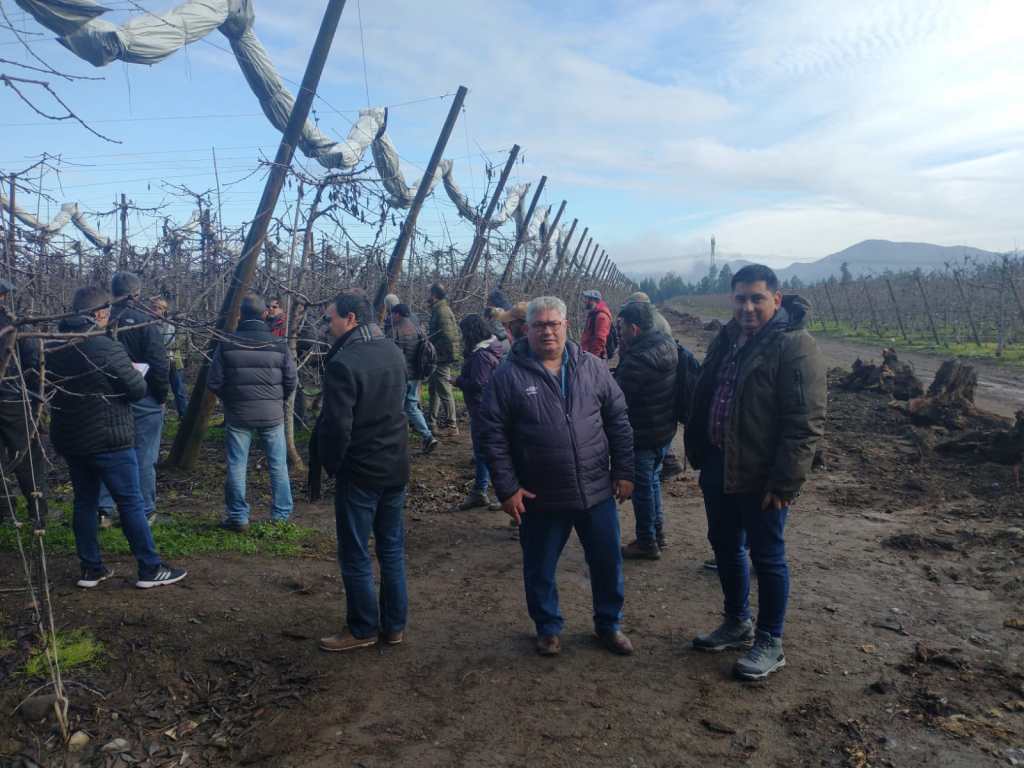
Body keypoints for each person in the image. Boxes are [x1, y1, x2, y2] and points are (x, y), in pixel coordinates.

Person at [686, 264, 826, 681]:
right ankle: (736, 622)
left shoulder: (795, 346)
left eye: (757, 299)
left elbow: (805, 422)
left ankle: (770, 640)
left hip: (762, 474)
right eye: (741, 298)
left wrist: (785, 481)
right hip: (719, 463)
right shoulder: (728, 338)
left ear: (776, 300)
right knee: (725, 546)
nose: (747, 307)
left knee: (767, 556)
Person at [479, 296, 635, 657]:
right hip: (541, 494)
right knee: (540, 567)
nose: (547, 331)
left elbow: (618, 420)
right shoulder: (508, 375)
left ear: (566, 326)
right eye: (539, 325)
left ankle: (609, 624)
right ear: (527, 329)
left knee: (607, 562)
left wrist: (625, 470)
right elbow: (492, 436)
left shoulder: (592, 367)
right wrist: (507, 488)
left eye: (554, 324)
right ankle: (548, 627)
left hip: (595, 489)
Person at [48, 286, 186, 589]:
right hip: (110, 437)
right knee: (130, 502)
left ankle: (91, 568)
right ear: (99, 314)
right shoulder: (105, 347)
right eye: (107, 314)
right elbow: (136, 389)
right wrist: (135, 374)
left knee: (84, 501)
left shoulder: (53, 346)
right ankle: (150, 568)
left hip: (72, 438)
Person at [311, 292, 410, 653]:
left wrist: (333, 465)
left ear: (350, 318)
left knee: (355, 553)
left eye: (331, 318)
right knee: (391, 549)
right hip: (395, 466)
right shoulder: (393, 351)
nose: (328, 325)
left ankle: (363, 627)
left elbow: (338, 426)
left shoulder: (344, 362)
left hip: (361, 471)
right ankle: (395, 626)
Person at [208, 293, 297, 532]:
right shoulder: (279, 344)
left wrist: (231, 399)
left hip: (239, 415)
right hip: (272, 414)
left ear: (240, 315)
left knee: (237, 465)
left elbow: (214, 381)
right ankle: (281, 516)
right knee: (278, 465)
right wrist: (277, 399)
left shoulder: (227, 344)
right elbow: (291, 380)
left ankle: (238, 516)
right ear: (265, 314)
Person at [97, 272, 169, 527]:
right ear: (137, 294)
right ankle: (145, 510)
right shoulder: (145, 322)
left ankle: (104, 509)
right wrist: (160, 396)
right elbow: (159, 363)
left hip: (108, 395)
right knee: (144, 454)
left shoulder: (101, 321)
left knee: (108, 450)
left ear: (113, 292)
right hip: (143, 397)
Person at [614, 302, 678, 560]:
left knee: (642, 490)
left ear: (635, 329)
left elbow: (617, 398)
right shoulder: (666, 344)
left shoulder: (638, 360)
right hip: (663, 430)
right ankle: (657, 534)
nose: (619, 333)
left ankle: (646, 541)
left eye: (622, 328)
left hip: (643, 432)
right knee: (651, 483)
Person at [623, 291, 685, 482]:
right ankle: (668, 462)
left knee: (644, 483)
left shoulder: (640, 356)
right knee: (653, 473)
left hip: (646, 426)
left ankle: (670, 462)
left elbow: (622, 396)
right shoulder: (660, 328)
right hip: (663, 417)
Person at [0, 279, 47, 528]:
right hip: (15, 399)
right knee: (27, 455)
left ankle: (5, 510)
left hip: (13, 395)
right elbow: (33, 364)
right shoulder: (15, 326)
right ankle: (37, 512)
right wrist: (36, 398)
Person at [454, 314, 505, 511]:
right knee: (483, 451)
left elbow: (478, 384)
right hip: (486, 408)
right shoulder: (491, 348)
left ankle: (490, 492)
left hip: (482, 409)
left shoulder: (481, 355)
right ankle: (481, 490)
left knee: (484, 451)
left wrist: (458, 381)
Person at [390, 303, 438, 454]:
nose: (391, 317)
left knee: (396, 408)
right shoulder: (418, 329)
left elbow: (395, 356)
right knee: (411, 406)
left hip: (403, 376)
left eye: (392, 314)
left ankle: (397, 442)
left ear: (397, 314)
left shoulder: (396, 330)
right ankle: (428, 436)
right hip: (417, 375)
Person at [426, 283, 461, 435]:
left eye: (429, 293)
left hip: (441, 357)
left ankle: (452, 425)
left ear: (434, 295)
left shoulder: (442, 311)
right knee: (434, 389)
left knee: (444, 389)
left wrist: (433, 347)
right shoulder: (438, 309)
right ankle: (431, 422)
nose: (428, 296)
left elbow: (448, 336)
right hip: (437, 356)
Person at [152, 297, 189, 419]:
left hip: (174, 361)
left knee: (179, 390)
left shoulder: (174, 323)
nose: (156, 310)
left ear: (165, 310)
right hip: (157, 362)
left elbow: (180, 340)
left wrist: (164, 347)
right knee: (158, 390)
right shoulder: (148, 323)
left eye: (159, 308)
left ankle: (184, 416)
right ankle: (159, 417)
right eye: (154, 307)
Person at [580, 289, 613, 358]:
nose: (585, 301)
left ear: (593, 300)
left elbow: (600, 340)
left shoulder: (601, 316)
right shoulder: (594, 314)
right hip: (588, 354)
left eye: (587, 299)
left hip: (593, 356)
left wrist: (593, 358)